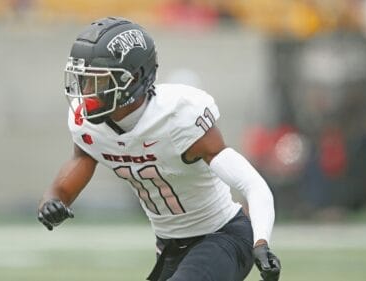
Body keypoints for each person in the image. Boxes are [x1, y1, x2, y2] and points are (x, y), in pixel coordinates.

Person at [37, 17, 281, 281]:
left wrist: (261, 242)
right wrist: (52, 201)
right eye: (84, 80)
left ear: (134, 79)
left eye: (98, 82)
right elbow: (78, 163)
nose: (86, 92)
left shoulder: (179, 117)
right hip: (170, 246)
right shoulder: (90, 127)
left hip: (223, 235)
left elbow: (252, 184)